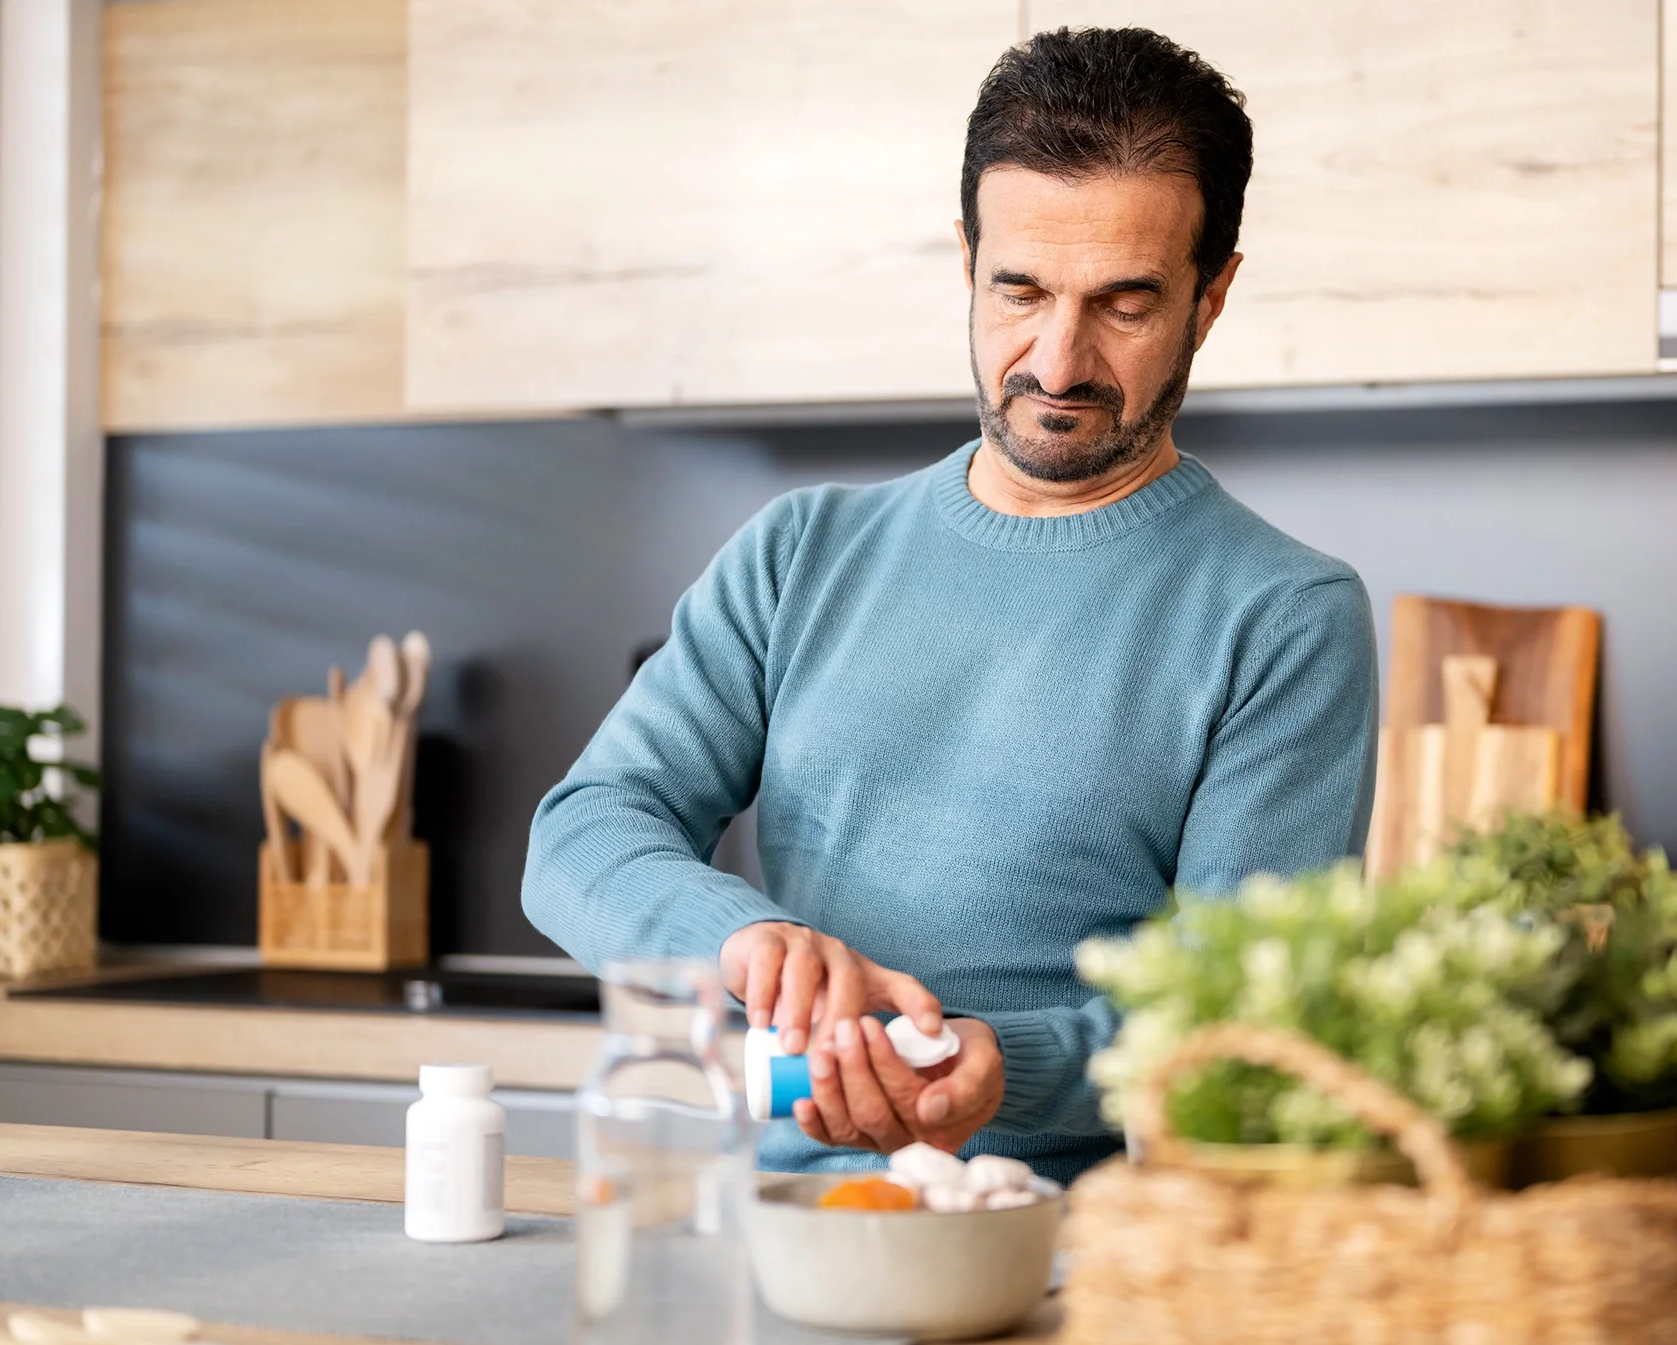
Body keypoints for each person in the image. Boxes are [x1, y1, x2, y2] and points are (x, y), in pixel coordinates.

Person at [523, 26, 1376, 1183]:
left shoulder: (1284, 617)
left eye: (1124, 306)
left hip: (1071, 1244)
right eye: (1018, 290)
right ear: (966, 260)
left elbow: (1249, 1031)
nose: (1059, 362)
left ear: (1211, 297)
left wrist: (1003, 1067)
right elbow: (581, 832)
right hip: (778, 1222)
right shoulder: (800, 552)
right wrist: (747, 942)